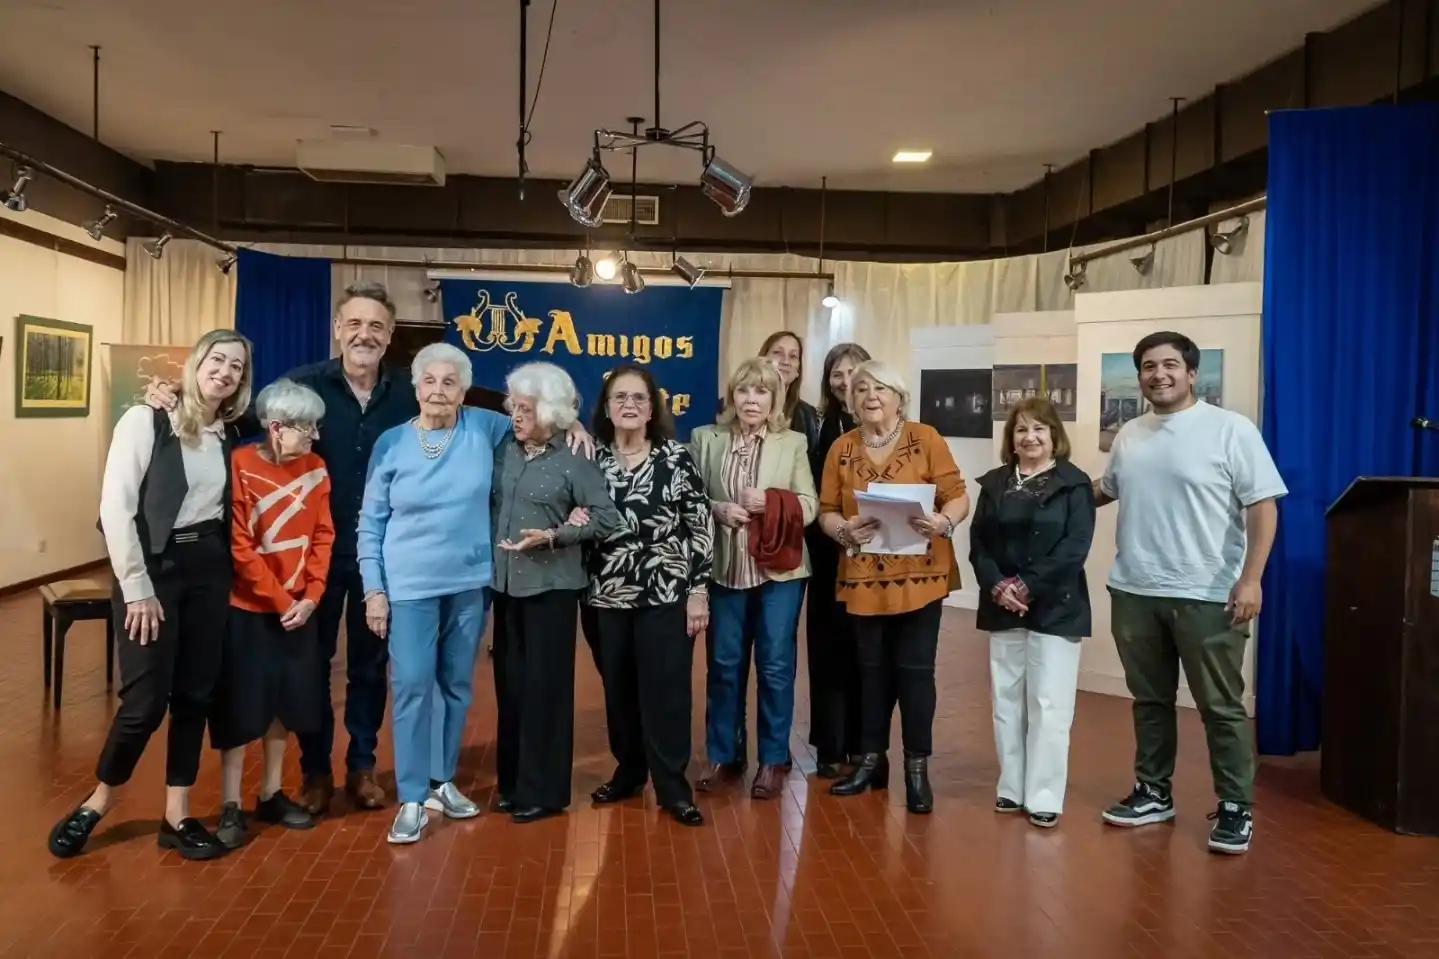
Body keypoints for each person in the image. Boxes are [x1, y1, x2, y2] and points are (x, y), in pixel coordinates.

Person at [49, 329, 253, 861]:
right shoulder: (146, 418)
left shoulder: (229, 429)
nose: (226, 372)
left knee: (194, 695)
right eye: (218, 359)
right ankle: (99, 801)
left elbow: (293, 411)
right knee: (144, 700)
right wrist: (137, 589)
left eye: (237, 366)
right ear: (196, 361)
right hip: (152, 569)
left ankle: (176, 814)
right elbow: (116, 509)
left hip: (209, 566)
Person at [1095, 331, 1285, 856]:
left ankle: (1235, 807)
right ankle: (1154, 792)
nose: (1159, 374)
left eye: (1170, 365)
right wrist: (1037, 486)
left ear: (1192, 373)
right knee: (1150, 701)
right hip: (1134, 589)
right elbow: (1103, 490)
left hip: (1209, 595)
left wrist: (1251, 578)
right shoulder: (1130, 433)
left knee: (1221, 707)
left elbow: (1263, 506)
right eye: (1149, 367)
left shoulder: (1231, 429)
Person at [357, 343, 526, 844]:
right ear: (415, 387)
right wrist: (374, 591)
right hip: (407, 586)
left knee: (456, 685)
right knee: (411, 685)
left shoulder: (484, 428)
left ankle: (440, 780)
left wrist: (575, 426)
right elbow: (370, 523)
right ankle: (411, 798)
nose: (438, 390)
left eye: (449, 382)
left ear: (465, 390)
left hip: (470, 583)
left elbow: (533, 418)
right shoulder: (390, 443)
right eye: (429, 381)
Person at [818, 360, 969, 814]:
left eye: (880, 387)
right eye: (861, 388)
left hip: (922, 577)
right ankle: (870, 762)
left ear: (899, 397)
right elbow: (825, 509)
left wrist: (944, 521)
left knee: (916, 673)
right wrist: (843, 530)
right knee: (870, 673)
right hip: (864, 577)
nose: (870, 395)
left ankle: (917, 770)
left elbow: (958, 494)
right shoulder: (842, 448)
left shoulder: (926, 438)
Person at [491, 362, 621, 824]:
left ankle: (544, 792)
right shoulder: (504, 446)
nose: (515, 415)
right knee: (511, 688)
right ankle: (511, 784)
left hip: (553, 589)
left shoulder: (574, 459)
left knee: (545, 691)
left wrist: (557, 535)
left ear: (549, 412)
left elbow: (607, 518)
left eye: (525, 408)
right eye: (514, 406)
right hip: (506, 587)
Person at [586, 365, 713, 827]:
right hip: (605, 594)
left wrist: (698, 591)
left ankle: (672, 787)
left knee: (667, 692)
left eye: (639, 398)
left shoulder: (676, 459)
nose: (630, 405)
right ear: (606, 406)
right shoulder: (591, 460)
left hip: (667, 592)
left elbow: (700, 528)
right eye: (620, 397)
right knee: (618, 689)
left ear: (652, 407)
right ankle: (629, 771)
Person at [213, 378, 334, 849]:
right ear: (277, 427)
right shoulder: (240, 464)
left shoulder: (317, 467)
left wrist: (312, 596)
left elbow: (324, 534)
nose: (314, 437)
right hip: (249, 608)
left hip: (301, 608)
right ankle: (229, 804)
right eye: (306, 428)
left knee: (285, 703)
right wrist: (284, 601)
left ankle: (270, 793)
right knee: (241, 705)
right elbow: (240, 545)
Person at [690, 357, 818, 800]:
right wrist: (717, 508)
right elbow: (689, 497)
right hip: (724, 570)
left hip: (779, 573)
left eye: (761, 392)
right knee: (724, 666)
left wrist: (769, 500)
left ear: (774, 399)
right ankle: (725, 754)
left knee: (776, 666)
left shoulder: (794, 442)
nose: (751, 399)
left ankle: (773, 758)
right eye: (744, 390)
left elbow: (811, 504)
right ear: (732, 397)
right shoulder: (705, 438)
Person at [969, 397, 1095, 829]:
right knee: (1006, 701)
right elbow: (979, 545)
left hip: (1056, 607)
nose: (1030, 437)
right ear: (1011, 440)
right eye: (1021, 430)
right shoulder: (995, 484)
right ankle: (1011, 787)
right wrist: (999, 585)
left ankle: (1043, 795)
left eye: (1039, 429)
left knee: (1049, 704)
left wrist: (1027, 585)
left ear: (1055, 436)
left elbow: (1075, 548)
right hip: (1003, 605)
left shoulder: (1074, 485)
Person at [805, 342, 871, 778]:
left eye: (853, 372)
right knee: (827, 648)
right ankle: (830, 745)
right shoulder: (817, 424)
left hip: (873, 553)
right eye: (836, 373)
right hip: (828, 550)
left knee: (866, 651)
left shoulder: (887, 424)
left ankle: (865, 745)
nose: (844, 380)